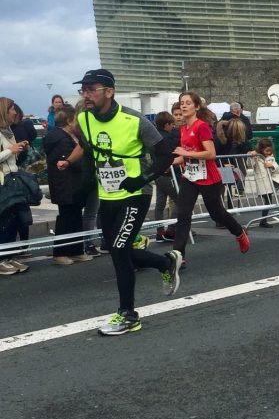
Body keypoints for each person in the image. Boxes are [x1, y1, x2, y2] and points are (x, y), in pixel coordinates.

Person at [73, 69, 182, 335]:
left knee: (120, 250)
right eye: (83, 90)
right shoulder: (84, 119)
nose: (86, 95)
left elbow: (165, 154)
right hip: (107, 196)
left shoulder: (134, 120)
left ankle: (128, 315)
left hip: (135, 194)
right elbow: (89, 154)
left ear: (109, 92)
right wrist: (84, 187)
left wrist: (141, 179)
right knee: (116, 250)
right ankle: (165, 263)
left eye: (92, 89)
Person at [171, 91, 250, 259]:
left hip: (208, 177)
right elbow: (187, 154)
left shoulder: (201, 126)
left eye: (187, 103)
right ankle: (179, 255)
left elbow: (210, 153)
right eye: (181, 103)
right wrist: (170, 162)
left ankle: (239, 232)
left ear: (197, 107)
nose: (183, 105)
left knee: (216, 213)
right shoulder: (183, 129)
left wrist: (186, 153)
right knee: (183, 213)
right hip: (190, 176)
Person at [43, 106, 93, 265]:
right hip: (65, 185)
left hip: (73, 186)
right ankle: (60, 253)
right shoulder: (61, 139)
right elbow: (73, 162)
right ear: (70, 120)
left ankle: (76, 250)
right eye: (76, 119)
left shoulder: (66, 136)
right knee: (66, 218)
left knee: (75, 216)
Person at [0, 97, 35, 276]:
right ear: (4, 111)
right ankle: (1, 258)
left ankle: (9, 254)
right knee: (4, 221)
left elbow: (11, 157)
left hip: (12, 178)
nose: (15, 112)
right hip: (2, 182)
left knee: (14, 219)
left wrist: (20, 149)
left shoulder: (8, 131)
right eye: (12, 109)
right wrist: (10, 150)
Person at [153, 111, 180, 243]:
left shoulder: (153, 136)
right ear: (167, 124)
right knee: (180, 200)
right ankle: (171, 229)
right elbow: (173, 154)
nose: (173, 127)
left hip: (157, 173)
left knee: (160, 204)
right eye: (171, 124)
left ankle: (159, 232)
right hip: (169, 173)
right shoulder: (168, 138)